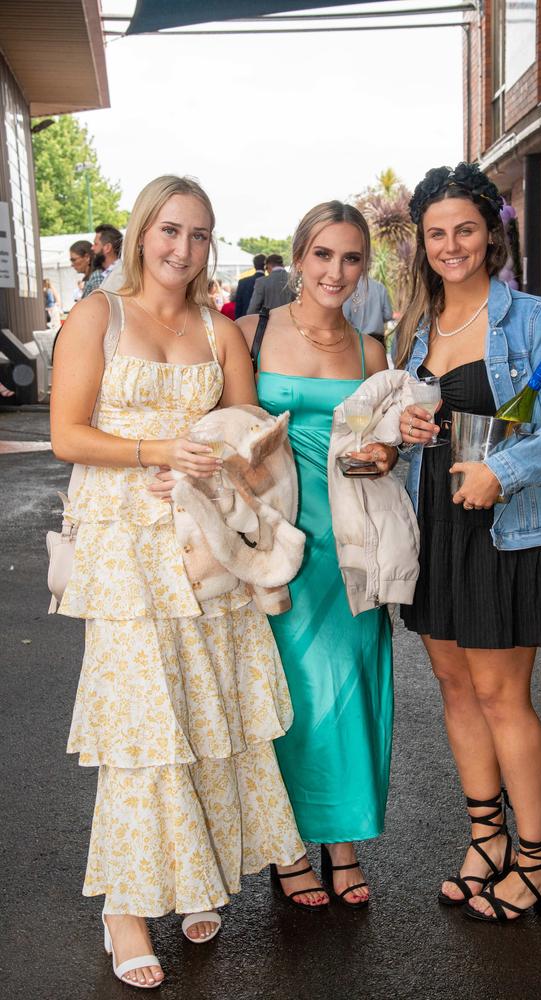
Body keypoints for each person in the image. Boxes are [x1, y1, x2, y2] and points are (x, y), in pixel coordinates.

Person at [50, 175, 305, 988]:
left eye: (199, 236)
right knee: (141, 718)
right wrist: (155, 454)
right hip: (123, 539)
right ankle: (124, 905)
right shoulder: (98, 316)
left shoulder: (220, 331)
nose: (182, 249)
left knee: (205, 703)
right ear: (139, 232)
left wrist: (222, 470)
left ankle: (191, 875)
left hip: (201, 543)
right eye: (169, 230)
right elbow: (65, 434)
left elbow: (250, 444)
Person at [395, 162, 541, 923]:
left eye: (465, 230)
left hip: (508, 530)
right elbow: (402, 417)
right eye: (437, 233)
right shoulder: (417, 327)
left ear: (491, 234)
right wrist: (404, 427)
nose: (452, 246)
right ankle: (488, 839)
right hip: (435, 527)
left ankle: (537, 862)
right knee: (454, 689)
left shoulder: (533, 318)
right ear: (423, 242)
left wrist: (504, 470)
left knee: (501, 695)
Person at [237, 202, 397, 909]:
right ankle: (291, 846)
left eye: (352, 258)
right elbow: (220, 432)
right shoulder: (249, 333)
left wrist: (387, 452)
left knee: (350, 690)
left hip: (351, 542)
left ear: (364, 267)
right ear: (298, 257)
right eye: (324, 255)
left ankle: (344, 842)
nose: (337, 271)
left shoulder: (371, 353)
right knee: (293, 692)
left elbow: (381, 444)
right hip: (275, 542)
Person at [343, 275, 393, 343]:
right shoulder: (380, 287)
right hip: (377, 339)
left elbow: (345, 316)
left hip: (357, 338)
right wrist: (377, 319)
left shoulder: (349, 289)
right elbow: (388, 315)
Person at [84, 224, 123, 297]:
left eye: (96, 244)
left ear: (107, 247)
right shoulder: (120, 271)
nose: (92, 248)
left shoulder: (118, 274)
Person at [235, 253, 266, 318]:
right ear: (265, 266)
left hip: (245, 319)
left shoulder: (242, 282)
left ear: (254, 265)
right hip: (264, 320)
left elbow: (238, 305)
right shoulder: (269, 282)